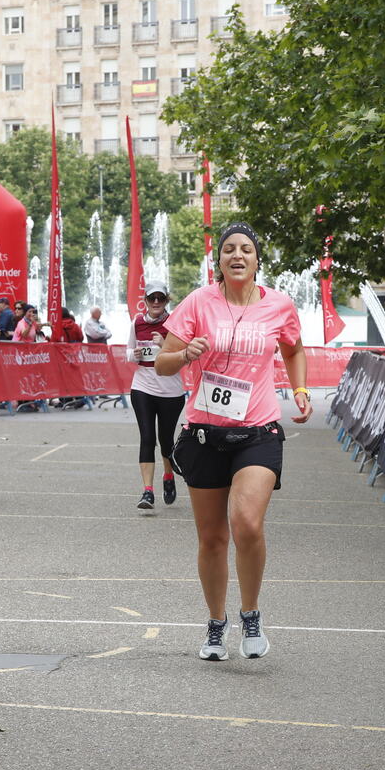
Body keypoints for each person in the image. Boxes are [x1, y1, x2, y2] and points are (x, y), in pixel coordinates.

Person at [155, 223, 311, 662]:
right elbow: (163, 364)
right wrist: (185, 354)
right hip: (204, 433)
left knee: (246, 522)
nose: (237, 255)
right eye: (228, 250)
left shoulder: (279, 305)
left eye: (246, 249)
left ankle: (251, 614)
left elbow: (294, 349)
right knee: (211, 538)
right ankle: (215, 623)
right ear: (218, 261)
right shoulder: (198, 303)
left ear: (257, 259)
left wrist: (299, 391)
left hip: (258, 432)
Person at [127, 282, 186, 511]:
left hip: (170, 391)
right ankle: (147, 491)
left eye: (160, 298)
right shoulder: (137, 322)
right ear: (145, 300)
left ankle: (168, 476)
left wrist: (165, 347)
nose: (156, 303)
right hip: (142, 386)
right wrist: (134, 354)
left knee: (166, 440)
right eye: (152, 298)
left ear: (166, 301)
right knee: (147, 437)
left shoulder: (175, 324)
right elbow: (128, 352)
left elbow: (185, 355)